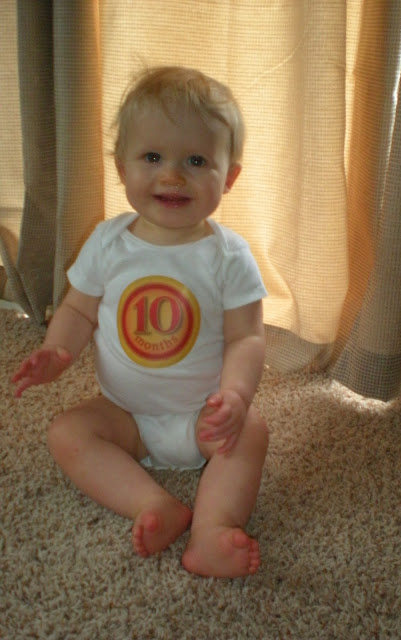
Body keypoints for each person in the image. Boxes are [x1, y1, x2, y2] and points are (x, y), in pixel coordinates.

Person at [12, 66, 269, 578]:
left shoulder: (229, 256)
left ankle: (213, 528)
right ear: (121, 167)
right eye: (152, 157)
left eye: (196, 161)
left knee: (253, 434)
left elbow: (247, 338)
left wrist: (236, 399)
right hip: (124, 414)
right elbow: (78, 310)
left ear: (229, 177)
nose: (172, 175)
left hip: (203, 417)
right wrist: (58, 352)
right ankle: (152, 503)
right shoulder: (108, 243)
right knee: (66, 433)